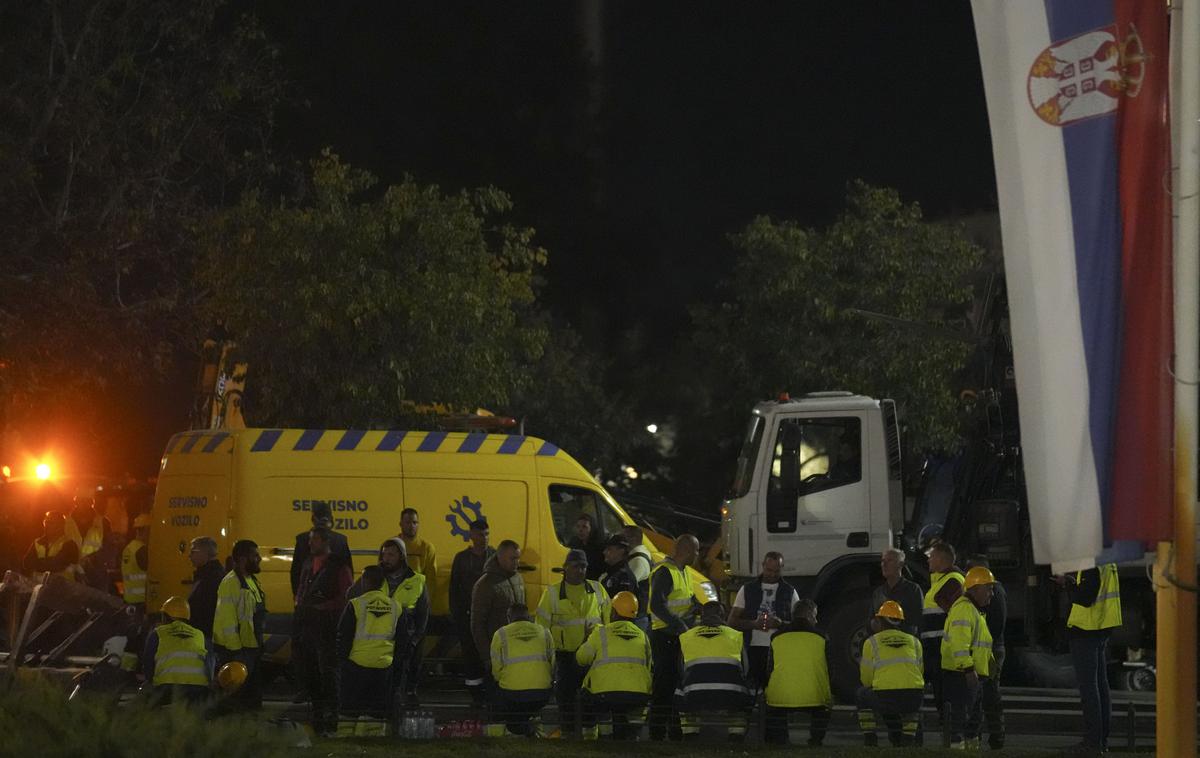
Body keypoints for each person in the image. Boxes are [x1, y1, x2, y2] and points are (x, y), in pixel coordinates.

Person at [536, 549, 610, 737]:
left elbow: (609, 621)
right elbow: (542, 627)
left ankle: (590, 736)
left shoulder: (597, 589)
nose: (580, 570)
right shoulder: (551, 593)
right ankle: (568, 734)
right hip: (565, 655)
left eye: (584, 566)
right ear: (565, 568)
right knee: (565, 697)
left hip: (592, 655)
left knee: (591, 697)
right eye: (576, 566)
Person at [294, 526, 353, 736]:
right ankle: (317, 718)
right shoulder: (308, 564)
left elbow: (346, 597)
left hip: (328, 628)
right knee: (312, 675)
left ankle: (332, 719)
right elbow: (301, 589)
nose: (310, 543)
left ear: (326, 541)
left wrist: (324, 607)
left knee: (329, 675)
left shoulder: (338, 567)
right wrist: (301, 605)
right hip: (309, 627)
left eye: (314, 540)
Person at [576, 590, 652, 740]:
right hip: (638, 696)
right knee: (622, 703)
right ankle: (630, 736)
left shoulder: (601, 632)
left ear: (614, 612)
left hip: (605, 696)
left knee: (585, 695)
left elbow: (581, 659)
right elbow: (649, 666)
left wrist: (585, 638)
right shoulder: (643, 636)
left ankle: (591, 737)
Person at [1063, 562, 1122, 753]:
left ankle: (1092, 742)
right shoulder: (1107, 561)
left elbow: (1085, 598)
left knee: (1089, 688)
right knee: (1100, 686)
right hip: (1101, 627)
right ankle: (1101, 741)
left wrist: (1068, 585)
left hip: (1086, 629)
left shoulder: (1090, 563)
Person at [648, 534, 701, 741]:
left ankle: (674, 731)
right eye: (696, 550)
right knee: (664, 686)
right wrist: (679, 625)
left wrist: (698, 606)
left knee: (676, 685)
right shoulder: (665, 572)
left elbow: (687, 598)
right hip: (665, 636)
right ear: (686, 550)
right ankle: (657, 732)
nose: (698, 555)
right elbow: (657, 605)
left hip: (677, 636)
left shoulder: (684, 571)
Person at [336, 565, 400, 737]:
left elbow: (343, 635)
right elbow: (402, 639)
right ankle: (373, 738)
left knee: (349, 707)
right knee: (377, 708)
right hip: (383, 664)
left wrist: (342, 661)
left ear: (364, 581)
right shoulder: (395, 607)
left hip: (356, 663)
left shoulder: (356, 604)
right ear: (382, 583)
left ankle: (345, 737)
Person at [677, 601, 752, 742]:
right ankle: (736, 736)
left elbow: (681, 669)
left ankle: (690, 734)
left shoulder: (687, 636)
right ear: (722, 616)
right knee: (742, 691)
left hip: (695, 695)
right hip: (730, 695)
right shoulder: (735, 635)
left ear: (702, 616)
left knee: (680, 689)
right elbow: (746, 669)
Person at [763, 598, 831, 746]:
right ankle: (815, 740)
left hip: (780, 698)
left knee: (773, 705)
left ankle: (780, 740)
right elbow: (829, 668)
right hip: (815, 697)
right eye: (814, 615)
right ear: (808, 616)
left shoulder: (776, 637)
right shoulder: (822, 637)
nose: (816, 620)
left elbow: (769, 669)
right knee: (824, 708)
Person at [941, 565, 995, 750]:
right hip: (962, 675)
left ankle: (971, 749)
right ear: (976, 588)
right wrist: (969, 669)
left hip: (968, 674)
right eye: (988, 588)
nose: (991, 593)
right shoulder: (965, 610)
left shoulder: (973, 610)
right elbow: (959, 644)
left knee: (972, 722)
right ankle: (959, 750)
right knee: (962, 721)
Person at [856, 600, 924, 747]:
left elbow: (866, 679)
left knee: (862, 694)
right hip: (913, 696)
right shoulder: (914, 642)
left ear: (880, 621)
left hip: (885, 698)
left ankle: (870, 738)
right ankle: (908, 737)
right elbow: (920, 671)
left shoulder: (871, 642)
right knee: (913, 703)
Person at [727, 551, 797, 691]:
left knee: (776, 687)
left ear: (782, 568)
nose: (772, 575)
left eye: (776, 571)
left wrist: (780, 624)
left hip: (779, 648)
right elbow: (732, 621)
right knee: (754, 687)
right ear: (763, 566)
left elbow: (799, 625)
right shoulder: (747, 589)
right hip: (753, 648)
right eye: (769, 570)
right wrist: (754, 624)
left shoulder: (789, 591)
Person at [213, 539, 266, 710]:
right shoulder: (230, 583)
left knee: (251, 695)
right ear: (243, 559)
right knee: (235, 698)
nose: (259, 559)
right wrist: (236, 652)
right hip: (236, 651)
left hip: (250, 648)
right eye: (255, 555)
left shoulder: (251, 580)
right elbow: (227, 620)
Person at [489, 603, 554, 737]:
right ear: (529, 616)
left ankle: (509, 731)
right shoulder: (545, 632)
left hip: (511, 694)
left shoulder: (500, 634)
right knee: (526, 710)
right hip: (542, 694)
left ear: (508, 617)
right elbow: (552, 663)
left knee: (494, 693)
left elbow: (496, 668)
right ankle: (531, 727)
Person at [471, 540, 526, 698]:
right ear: (500, 557)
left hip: (517, 651)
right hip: (498, 652)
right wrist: (488, 657)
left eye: (518, 558)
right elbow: (477, 624)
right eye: (512, 558)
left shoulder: (518, 579)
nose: (516, 562)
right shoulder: (485, 585)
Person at [450, 518, 494, 706]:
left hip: (490, 616)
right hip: (467, 615)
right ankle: (476, 697)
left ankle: (491, 692)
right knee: (471, 656)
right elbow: (454, 589)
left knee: (490, 654)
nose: (483, 538)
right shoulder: (461, 559)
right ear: (471, 535)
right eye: (479, 534)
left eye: (486, 534)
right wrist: (458, 615)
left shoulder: (494, 556)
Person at [967, 555, 1007, 749]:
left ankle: (996, 737)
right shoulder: (994, 591)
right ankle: (991, 736)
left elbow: (996, 624)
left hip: (991, 650)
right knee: (987, 695)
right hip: (987, 649)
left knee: (990, 694)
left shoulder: (995, 591)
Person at [142, 596, 211, 707]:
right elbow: (208, 664)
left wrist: (150, 681)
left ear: (166, 617)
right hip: (196, 691)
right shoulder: (200, 635)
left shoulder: (158, 633)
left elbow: (148, 664)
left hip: (166, 689)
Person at [922, 540, 964, 719]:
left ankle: (950, 731)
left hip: (941, 646)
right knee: (940, 690)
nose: (928, 560)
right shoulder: (940, 581)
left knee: (944, 692)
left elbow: (953, 613)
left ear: (940, 559)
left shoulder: (953, 580)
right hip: (934, 646)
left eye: (931, 557)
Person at [290, 501, 352, 597]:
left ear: (313, 519)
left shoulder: (302, 539)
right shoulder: (341, 540)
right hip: (334, 600)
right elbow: (348, 572)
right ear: (331, 519)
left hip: (309, 600)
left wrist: (298, 598)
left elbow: (295, 573)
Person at [870, 548, 923, 638]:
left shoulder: (913, 590)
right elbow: (870, 621)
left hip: (904, 645)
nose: (884, 564)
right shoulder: (878, 593)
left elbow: (916, 622)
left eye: (889, 560)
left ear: (901, 564)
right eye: (883, 561)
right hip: (883, 646)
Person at [22, 510, 79, 582]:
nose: (47, 525)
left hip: (62, 588)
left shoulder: (69, 545)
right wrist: (47, 562)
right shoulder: (38, 542)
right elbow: (26, 563)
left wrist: (37, 563)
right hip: (39, 588)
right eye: (46, 522)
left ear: (61, 525)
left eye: (51, 523)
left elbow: (56, 565)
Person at [187, 536, 225, 640]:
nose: (189, 556)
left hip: (206, 634)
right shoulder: (205, 574)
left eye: (193, 552)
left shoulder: (212, 577)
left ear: (204, 553)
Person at [398, 508, 438, 602]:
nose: (411, 526)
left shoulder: (427, 547)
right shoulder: (392, 545)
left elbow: (431, 578)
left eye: (414, 522)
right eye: (407, 522)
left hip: (418, 599)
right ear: (401, 524)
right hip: (396, 599)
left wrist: (425, 600)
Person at [622, 525, 653, 630]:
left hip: (636, 617)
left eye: (624, 537)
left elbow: (627, 586)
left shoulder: (638, 560)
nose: (621, 541)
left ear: (634, 538)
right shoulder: (636, 556)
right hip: (634, 615)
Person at [121, 514, 150, 612]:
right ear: (146, 530)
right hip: (141, 600)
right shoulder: (142, 550)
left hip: (129, 598)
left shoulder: (129, 548)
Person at [598, 535, 638, 602]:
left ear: (621, 551)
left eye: (609, 549)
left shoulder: (624, 577)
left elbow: (622, 606)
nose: (604, 552)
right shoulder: (612, 573)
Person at [567, 513, 604, 580]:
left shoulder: (599, 546)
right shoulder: (574, 543)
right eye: (578, 526)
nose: (580, 530)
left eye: (584, 527)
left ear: (591, 529)